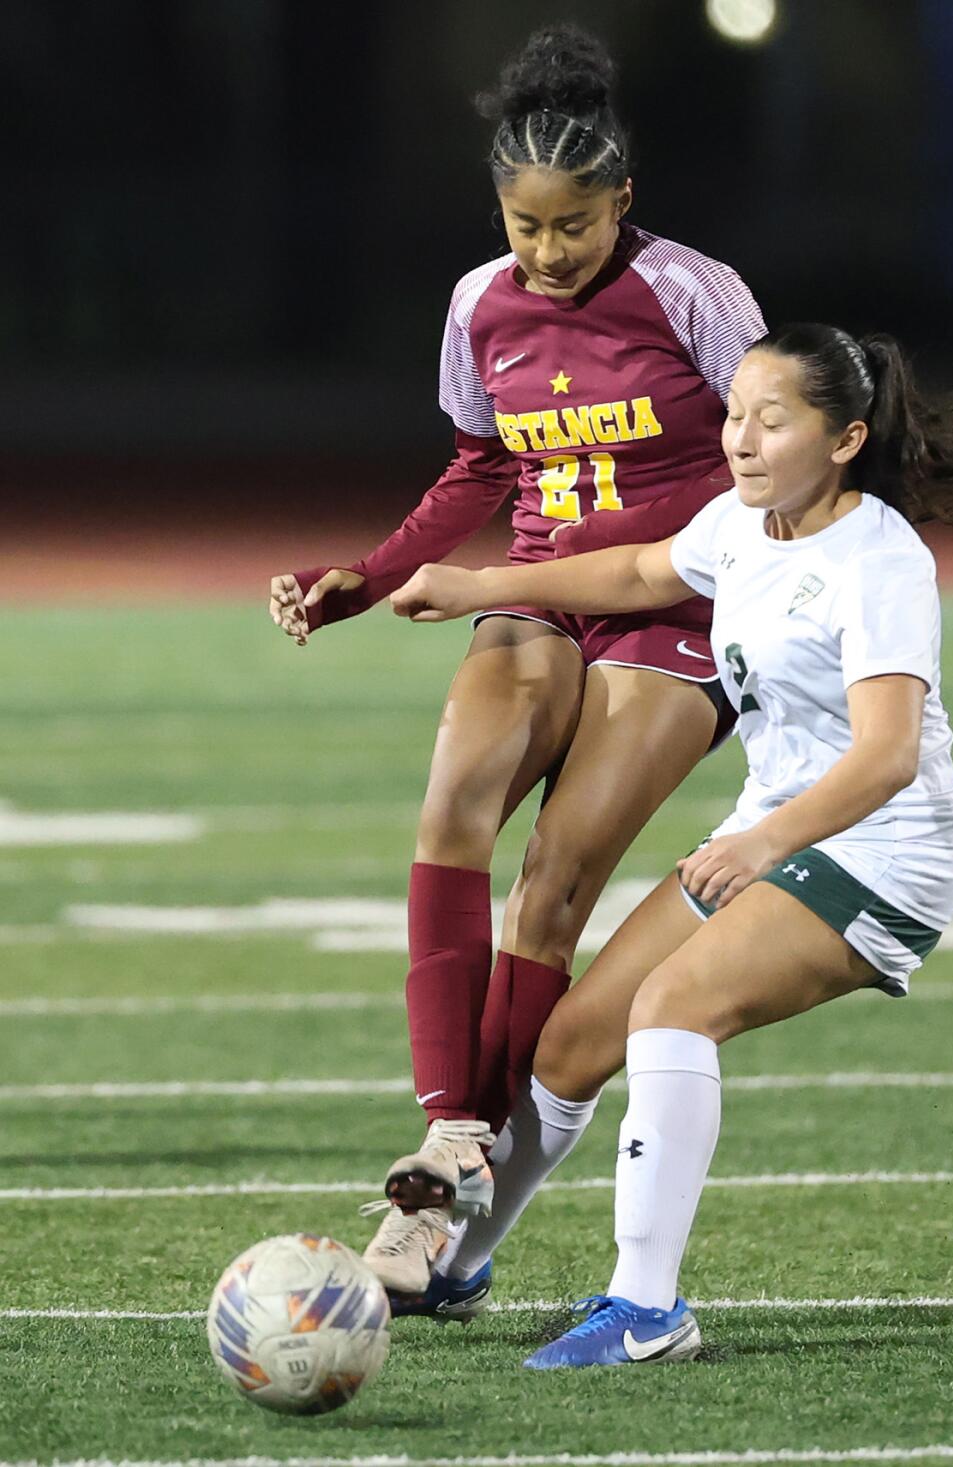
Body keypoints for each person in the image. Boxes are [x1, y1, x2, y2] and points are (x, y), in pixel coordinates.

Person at [390, 322, 953, 1362]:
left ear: (843, 439)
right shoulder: (745, 523)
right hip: (775, 832)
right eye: (734, 415)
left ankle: (648, 1311)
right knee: (571, 1046)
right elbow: (637, 574)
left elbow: (886, 758)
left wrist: (759, 850)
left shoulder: (881, 560)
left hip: (882, 852)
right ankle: (458, 1262)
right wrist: (476, 586)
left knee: (673, 1010)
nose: (740, 439)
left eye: (772, 420)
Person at [267, 24, 765, 1304]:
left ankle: (462, 1173)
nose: (547, 251)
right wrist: (365, 580)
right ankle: (456, 1134)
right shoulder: (476, 302)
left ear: (623, 201)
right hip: (539, 589)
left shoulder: (695, 292)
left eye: (574, 226)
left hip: (675, 609)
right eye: (525, 224)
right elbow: (482, 469)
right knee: (453, 806)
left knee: (554, 881)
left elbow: (774, 444)